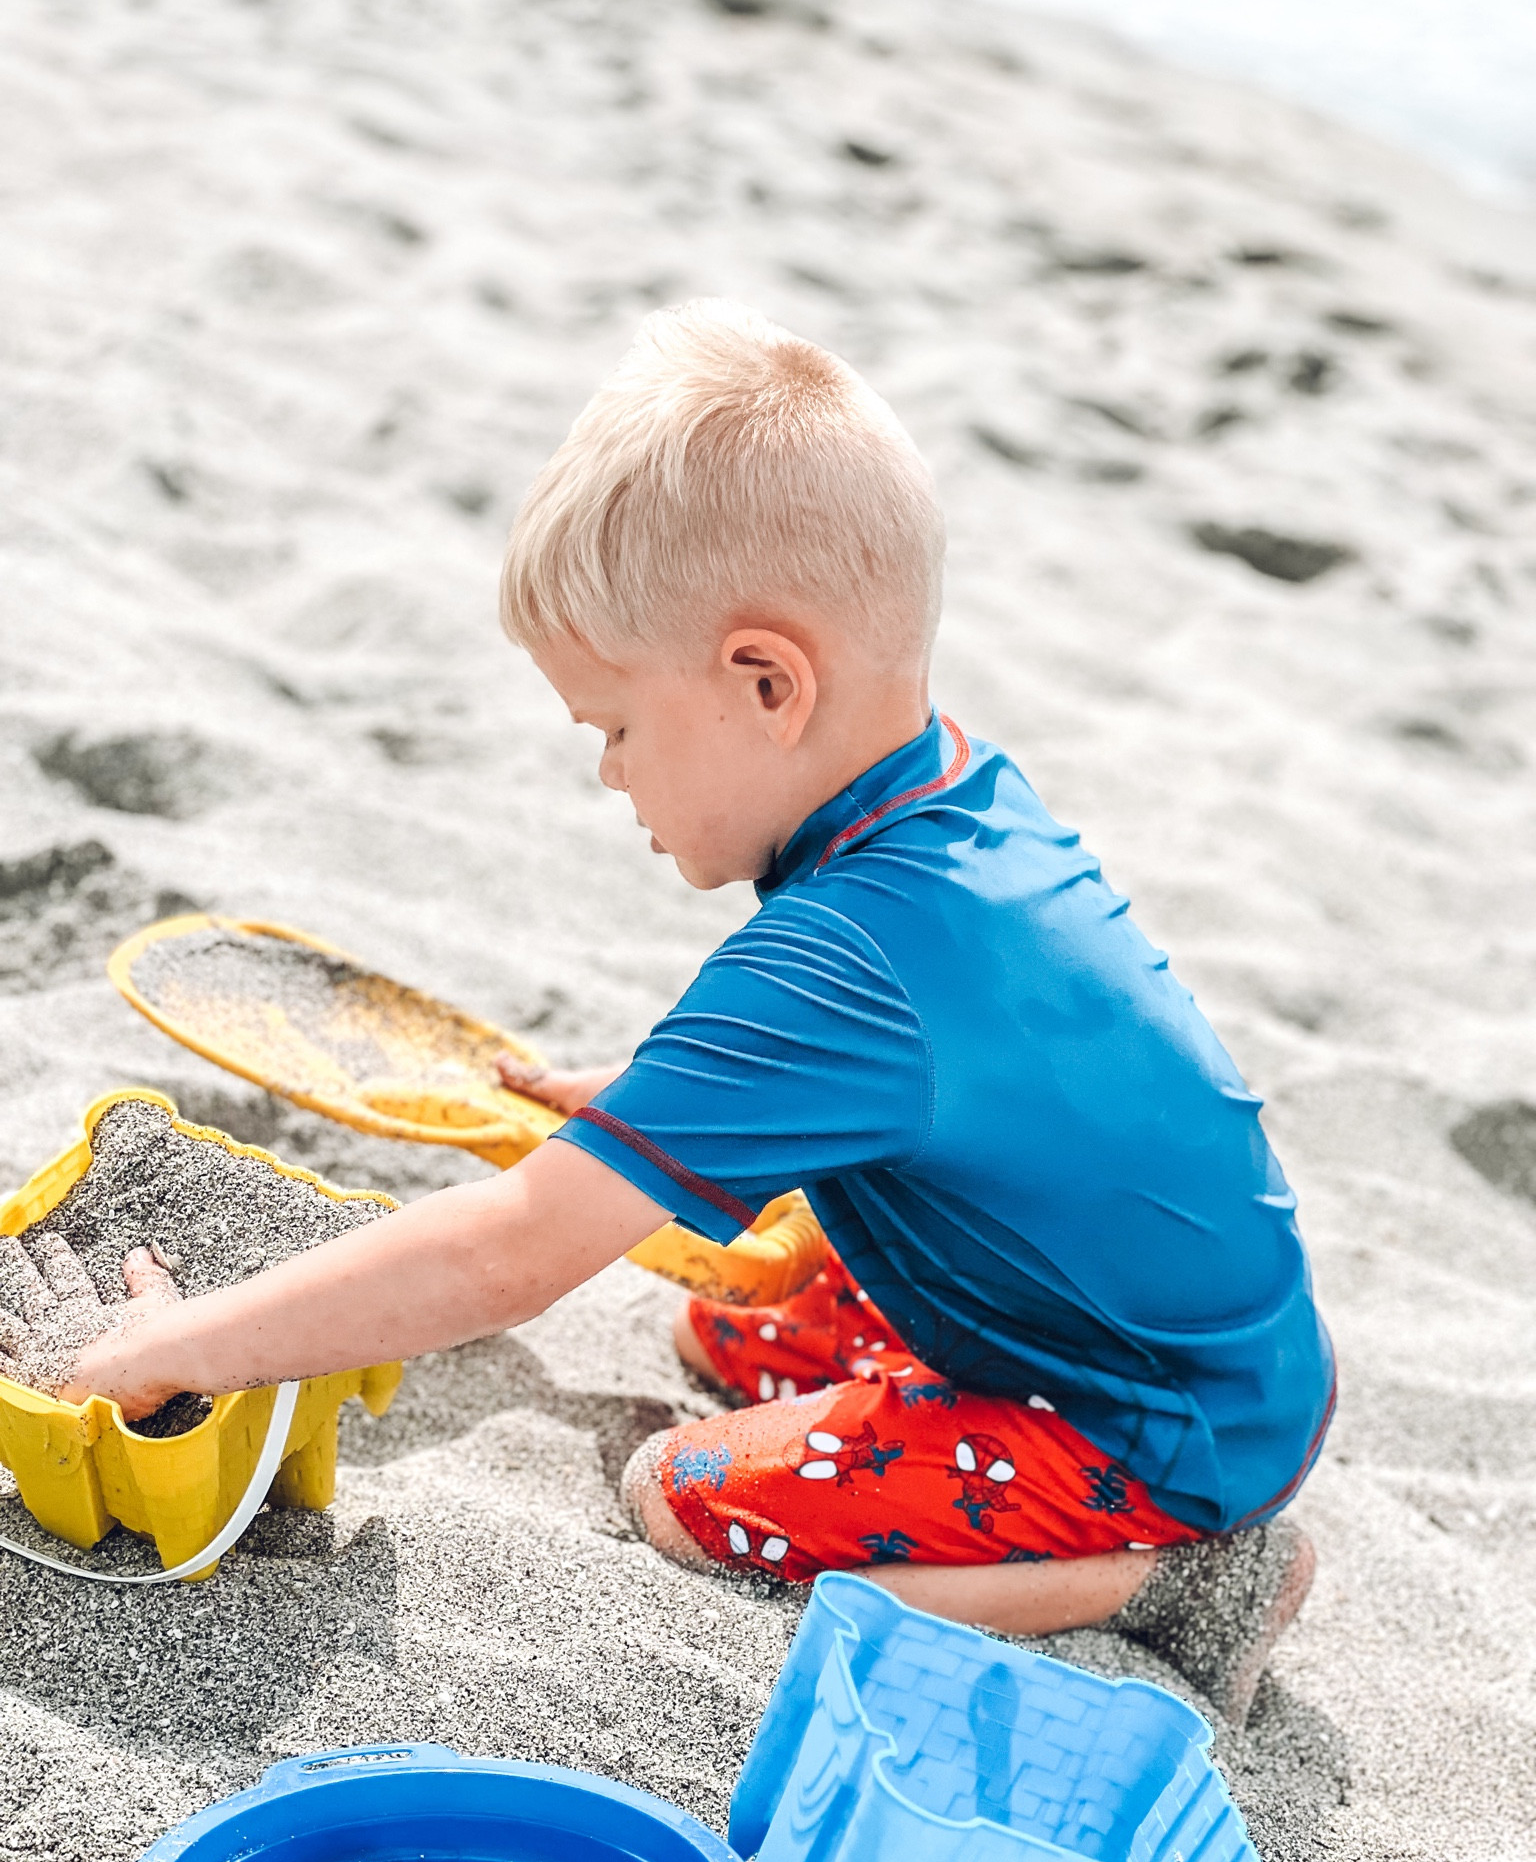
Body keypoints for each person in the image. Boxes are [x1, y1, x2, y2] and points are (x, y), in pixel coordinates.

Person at [5, 301, 1332, 1725]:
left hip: (1152, 1433)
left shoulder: (839, 959)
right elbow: (989, 1071)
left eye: (616, 730)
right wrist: (653, 1092)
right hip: (1200, 1346)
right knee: (727, 1338)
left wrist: (181, 1344)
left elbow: (510, 1256)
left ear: (765, 682)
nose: (610, 778)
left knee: (686, 1497)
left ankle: (1176, 1583)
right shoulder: (950, 797)